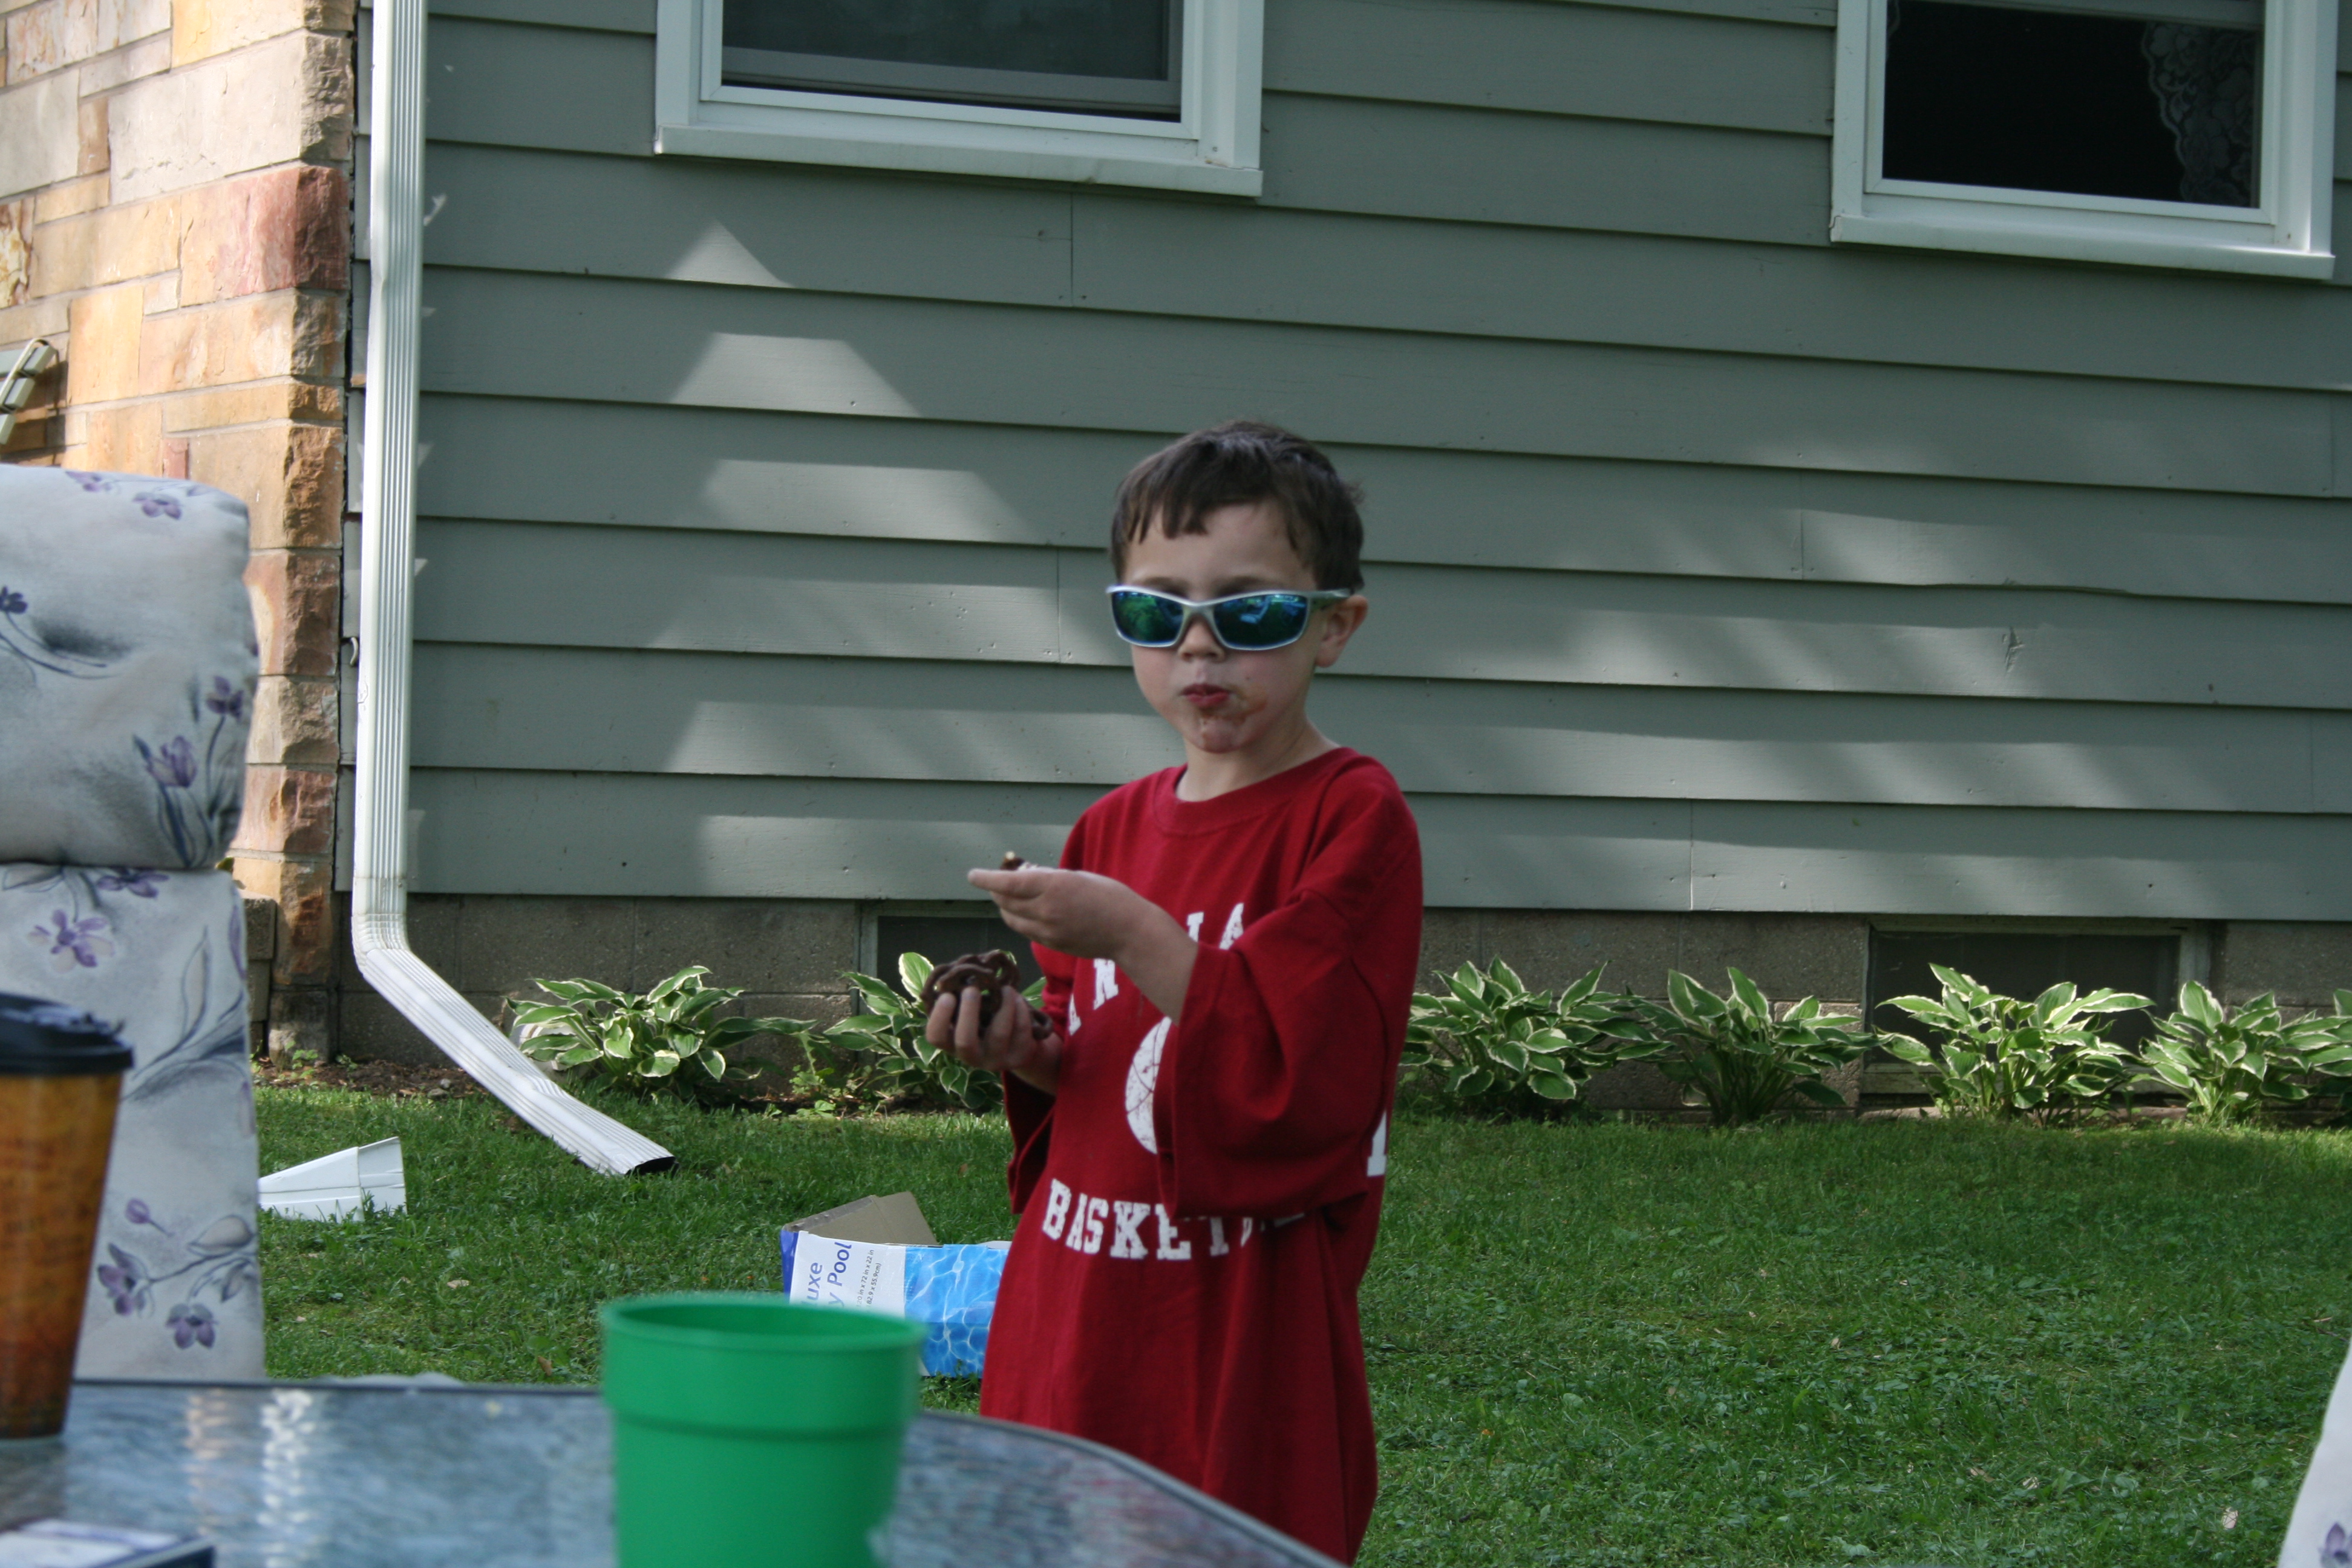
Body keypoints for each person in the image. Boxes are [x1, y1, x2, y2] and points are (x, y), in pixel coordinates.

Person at [923, 420, 1423, 1563]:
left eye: (1253, 614)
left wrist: (1135, 931)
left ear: (1334, 626)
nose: (1201, 649)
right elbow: (1093, 1052)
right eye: (1157, 614)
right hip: (1078, 1289)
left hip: (1235, 1312)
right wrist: (1021, 1046)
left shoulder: (1351, 818)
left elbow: (1312, 1076)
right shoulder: (1109, 828)